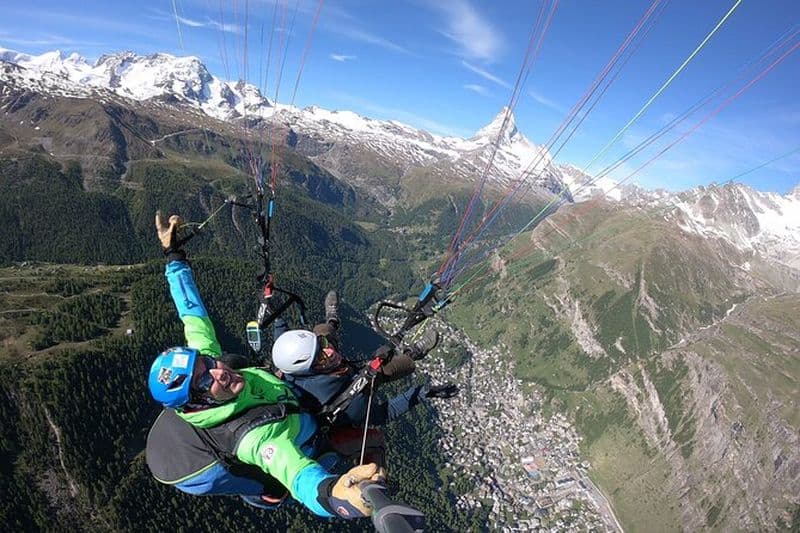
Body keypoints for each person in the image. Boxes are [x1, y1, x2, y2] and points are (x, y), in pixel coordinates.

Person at [145, 211, 384, 520]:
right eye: (204, 382)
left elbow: (192, 315)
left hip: (285, 404)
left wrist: (173, 256)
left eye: (206, 362)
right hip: (308, 441)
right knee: (369, 439)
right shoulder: (254, 438)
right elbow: (296, 474)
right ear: (196, 403)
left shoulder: (209, 364)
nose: (219, 371)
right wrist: (336, 496)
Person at [271, 293, 459, 430]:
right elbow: (385, 413)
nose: (328, 351)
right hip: (348, 390)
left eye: (322, 346)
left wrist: (275, 314)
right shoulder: (350, 407)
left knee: (322, 333)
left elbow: (283, 340)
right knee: (383, 372)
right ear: (310, 371)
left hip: (329, 375)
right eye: (320, 356)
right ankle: (413, 354)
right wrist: (421, 393)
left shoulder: (294, 365)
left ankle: (332, 320)